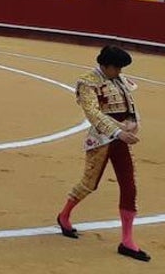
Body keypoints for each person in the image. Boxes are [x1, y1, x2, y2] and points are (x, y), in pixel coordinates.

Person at [55, 45, 149, 261]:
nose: (120, 72)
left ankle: (127, 241)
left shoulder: (119, 79)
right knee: (89, 183)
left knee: (129, 185)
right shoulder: (87, 82)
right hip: (102, 139)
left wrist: (133, 124)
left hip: (121, 139)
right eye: (116, 68)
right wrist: (117, 131)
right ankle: (64, 215)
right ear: (104, 65)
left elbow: (131, 106)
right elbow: (92, 113)